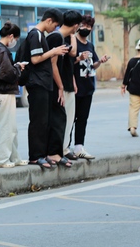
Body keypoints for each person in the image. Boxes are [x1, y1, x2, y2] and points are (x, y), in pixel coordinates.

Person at [17, 8, 69, 169]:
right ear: (49, 21)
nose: (55, 29)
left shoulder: (40, 35)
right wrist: (54, 51)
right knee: (38, 121)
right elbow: (35, 59)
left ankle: (43, 153)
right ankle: (35, 156)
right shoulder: (36, 35)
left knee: (44, 121)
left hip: (43, 83)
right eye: (55, 25)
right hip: (37, 83)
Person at [44, 9, 82, 168]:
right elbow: (53, 64)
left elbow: (69, 59)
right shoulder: (57, 37)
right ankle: (56, 151)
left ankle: (60, 150)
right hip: (57, 85)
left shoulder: (59, 36)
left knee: (64, 119)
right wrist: (60, 86)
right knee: (60, 119)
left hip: (64, 82)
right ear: (75, 26)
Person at [0, 22, 27, 168]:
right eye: (15, 39)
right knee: (6, 127)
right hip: (5, 91)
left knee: (11, 127)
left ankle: (14, 157)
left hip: (2, 91)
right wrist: (18, 67)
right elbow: (6, 73)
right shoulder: (2, 50)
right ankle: (1, 160)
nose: (14, 42)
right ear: (11, 36)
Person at [72, 16, 109, 159]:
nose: (86, 29)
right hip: (75, 87)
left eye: (89, 27)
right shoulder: (73, 42)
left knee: (82, 118)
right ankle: (65, 148)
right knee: (70, 119)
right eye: (84, 25)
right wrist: (79, 58)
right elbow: (68, 63)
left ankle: (79, 147)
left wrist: (100, 61)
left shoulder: (90, 45)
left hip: (88, 86)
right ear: (78, 25)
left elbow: (93, 65)